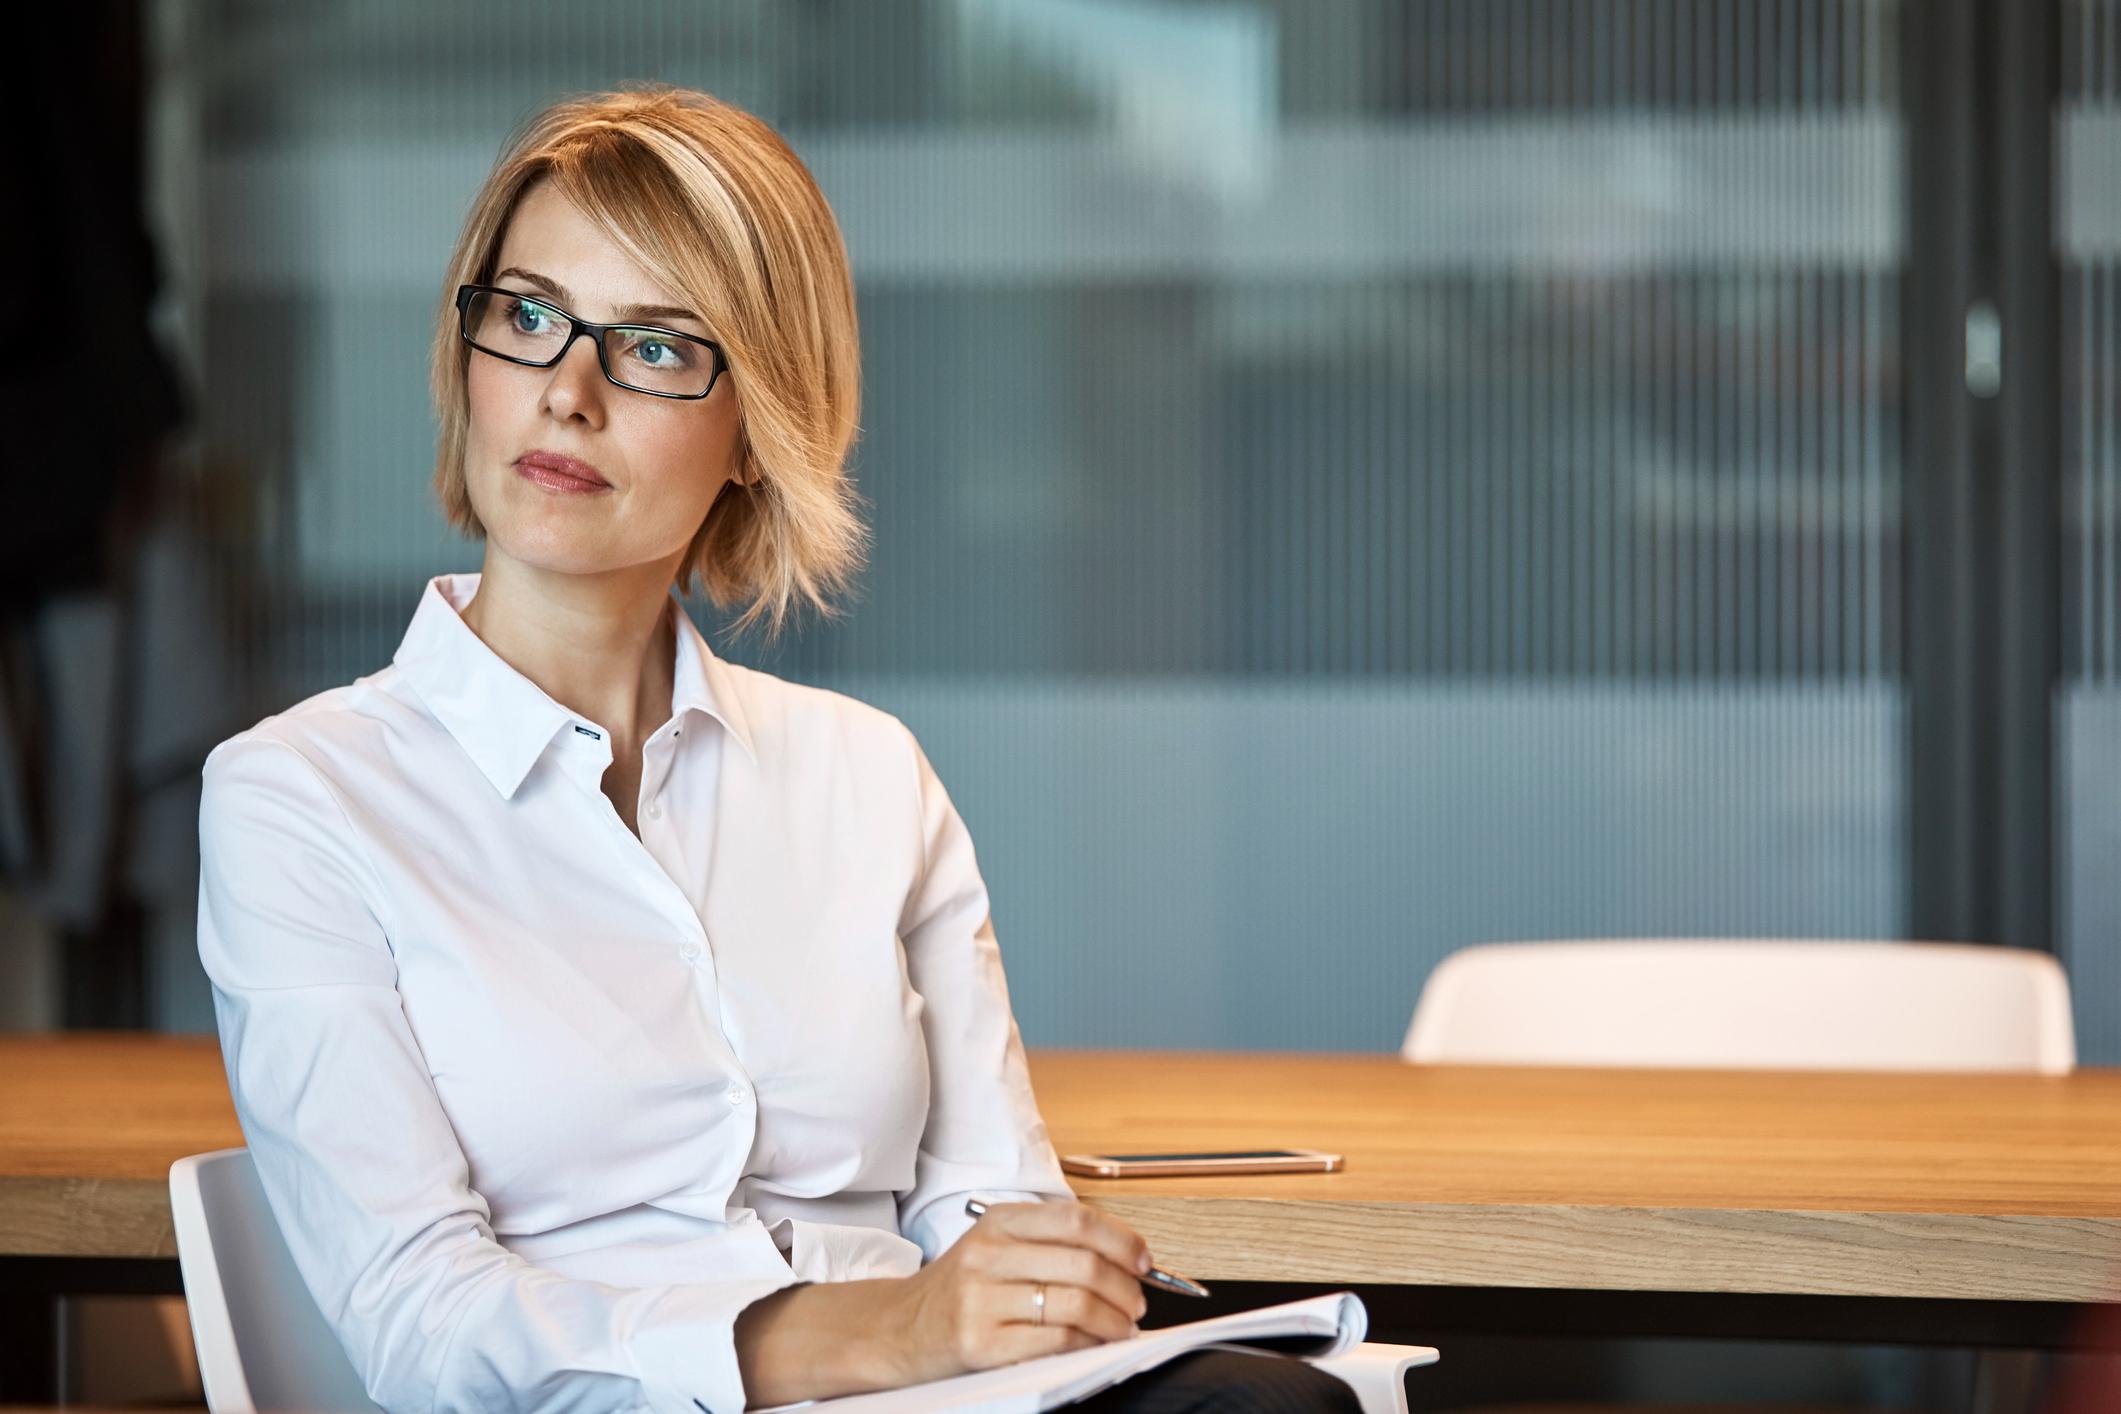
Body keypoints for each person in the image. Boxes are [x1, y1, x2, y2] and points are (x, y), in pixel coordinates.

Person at [195, 83, 1363, 1414]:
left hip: (938, 1401)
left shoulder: (868, 773)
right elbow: (424, 1323)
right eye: (526, 318)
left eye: (653, 347)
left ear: (759, 428)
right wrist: (879, 1333)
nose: (566, 394)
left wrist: (1032, 1281)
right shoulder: (300, 797)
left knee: (1273, 1402)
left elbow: (984, 1199)